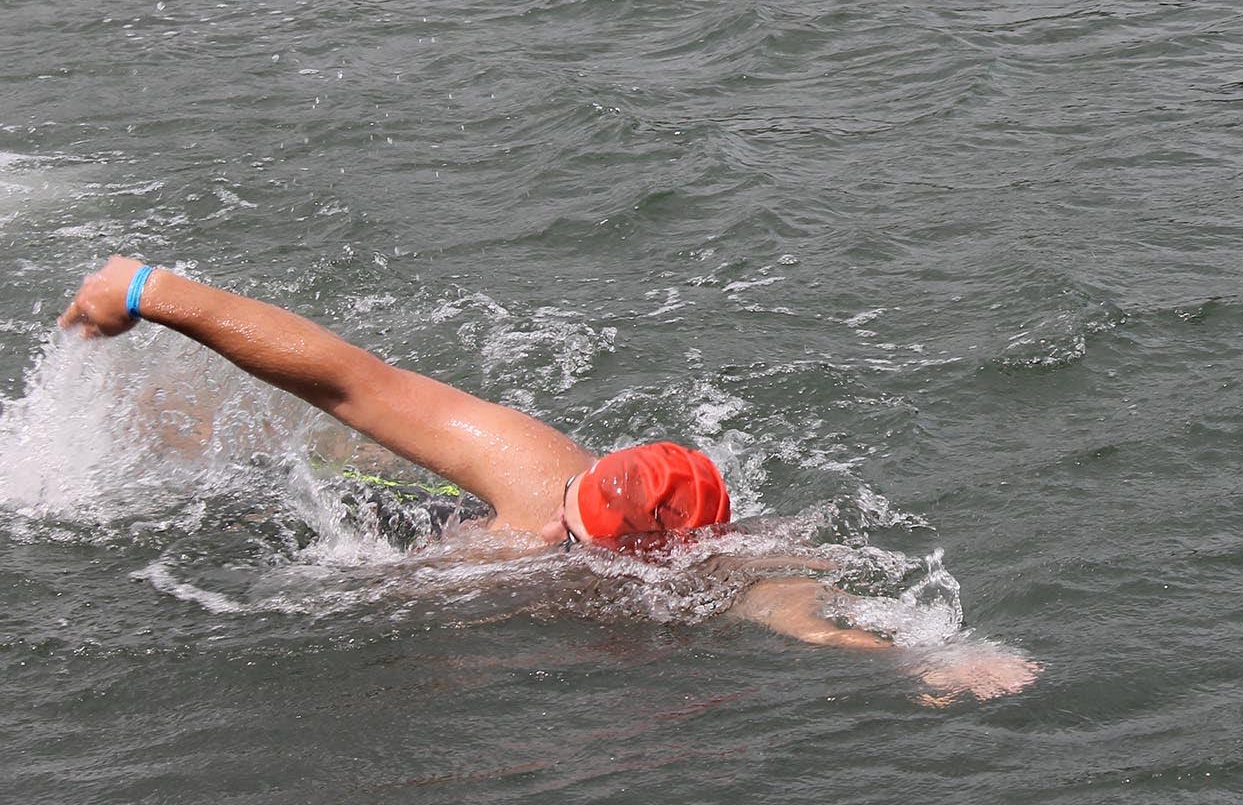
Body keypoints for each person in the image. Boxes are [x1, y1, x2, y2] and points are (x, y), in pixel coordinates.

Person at [59, 255, 1037, 701]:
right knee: (299, 474)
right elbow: (347, 379)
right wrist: (153, 292)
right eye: (570, 506)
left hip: (426, 549)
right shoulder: (538, 475)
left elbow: (822, 616)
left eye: (579, 526)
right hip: (409, 533)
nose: (557, 519)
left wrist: (940, 653)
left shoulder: (705, 564)